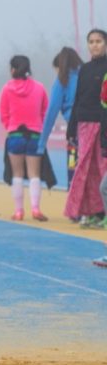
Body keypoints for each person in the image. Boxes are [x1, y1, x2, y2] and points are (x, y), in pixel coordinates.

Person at [0, 55, 49, 221]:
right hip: (35, 135)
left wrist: (10, 126)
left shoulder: (7, 89)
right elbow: (45, 111)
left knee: (17, 174)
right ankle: (36, 208)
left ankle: (19, 211)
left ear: (13, 69)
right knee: (34, 174)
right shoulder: (40, 88)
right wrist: (39, 126)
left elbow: (3, 113)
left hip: (15, 135)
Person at [65, 29, 107, 224]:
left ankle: (104, 211)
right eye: (91, 41)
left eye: (99, 41)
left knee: (103, 168)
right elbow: (78, 98)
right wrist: (71, 126)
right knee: (85, 169)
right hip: (84, 124)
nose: (95, 45)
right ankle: (91, 211)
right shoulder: (85, 69)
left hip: (103, 123)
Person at [37, 47, 82, 188]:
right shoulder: (87, 75)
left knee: (73, 171)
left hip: (75, 134)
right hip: (94, 130)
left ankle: (72, 195)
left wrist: (41, 144)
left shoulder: (62, 81)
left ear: (60, 66)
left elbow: (51, 113)